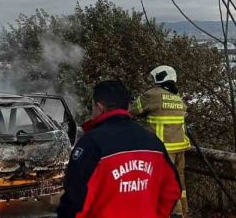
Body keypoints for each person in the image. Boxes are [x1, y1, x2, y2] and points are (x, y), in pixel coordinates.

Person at [57, 80, 181, 218]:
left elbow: (75, 204)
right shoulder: (154, 142)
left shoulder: (91, 144)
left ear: (99, 107)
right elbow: (172, 190)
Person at [130, 65, 190, 218]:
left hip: (163, 149)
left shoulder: (152, 95)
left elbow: (132, 111)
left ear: (160, 77)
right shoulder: (178, 98)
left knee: (163, 183)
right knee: (179, 182)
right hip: (180, 148)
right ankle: (183, 212)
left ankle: (171, 214)